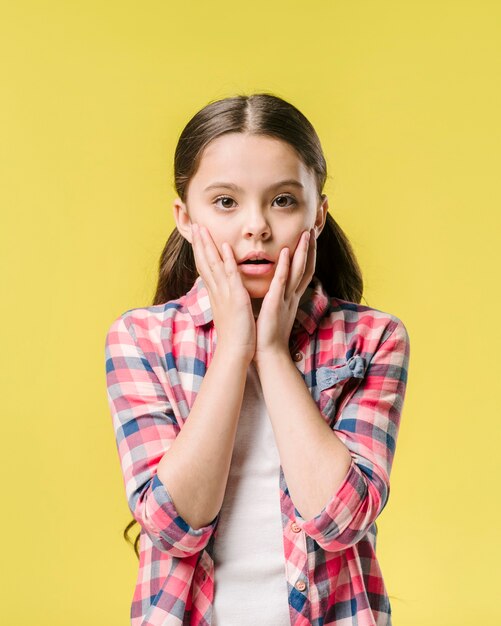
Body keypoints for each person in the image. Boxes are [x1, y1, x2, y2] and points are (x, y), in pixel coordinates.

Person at [104, 92, 411, 626]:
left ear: (318, 214)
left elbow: (340, 520)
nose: (257, 228)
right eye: (225, 202)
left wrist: (271, 351)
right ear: (184, 217)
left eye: (284, 200)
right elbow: (173, 526)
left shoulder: (372, 338)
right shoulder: (140, 339)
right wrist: (234, 349)